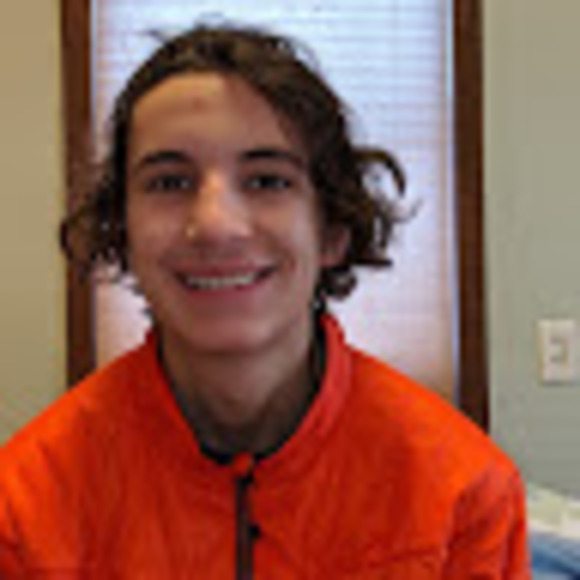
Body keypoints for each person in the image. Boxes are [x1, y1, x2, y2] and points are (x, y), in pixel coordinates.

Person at [0, 23, 530, 578]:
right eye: (170, 182)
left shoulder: (463, 493)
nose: (215, 225)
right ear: (122, 231)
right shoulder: (26, 505)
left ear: (332, 230)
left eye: (267, 180)